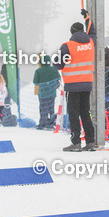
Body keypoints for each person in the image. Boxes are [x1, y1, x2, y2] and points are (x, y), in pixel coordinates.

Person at [53, 11, 97, 151]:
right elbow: (92, 32)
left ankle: (76, 142)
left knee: (73, 114)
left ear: (71, 32)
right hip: (87, 85)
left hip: (72, 86)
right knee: (85, 112)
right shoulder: (90, 42)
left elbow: (58, 64)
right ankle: (90, 142)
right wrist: (87, 18)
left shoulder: (67, 46)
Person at [33, 56, 60, 130]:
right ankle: (51, 123)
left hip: (42, 94)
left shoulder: (38, 71)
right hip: (52, 94)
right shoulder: (54, 70)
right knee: (51, 108)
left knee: (43, 109)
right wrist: (54, 87)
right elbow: (58, 80)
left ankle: (42, 123)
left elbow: (35, 82)